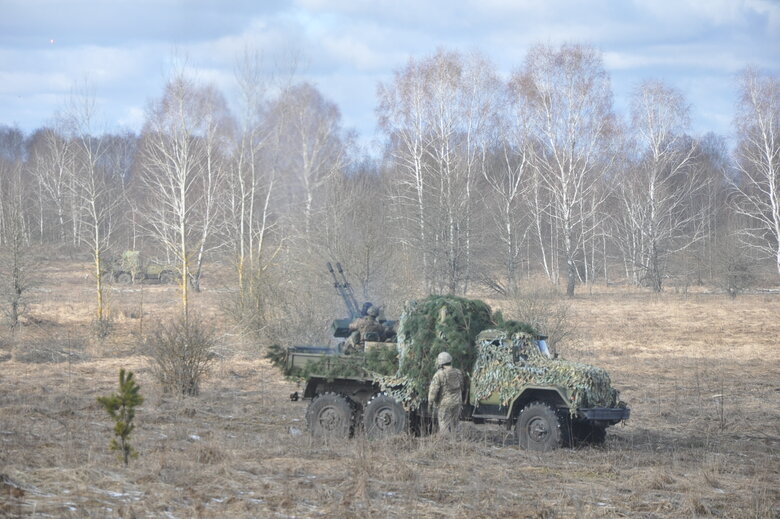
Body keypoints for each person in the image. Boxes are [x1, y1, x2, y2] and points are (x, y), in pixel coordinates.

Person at [427, 351, 464, 436]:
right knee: (455, 424)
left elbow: (433, 391)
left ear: (440, 362)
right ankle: (457, 443)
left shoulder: (439, 374)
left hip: (445, 403)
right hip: (457, 401)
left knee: (444, 424)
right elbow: (462, 386)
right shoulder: (458, 372)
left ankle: (446, 445)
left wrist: (430, 403)